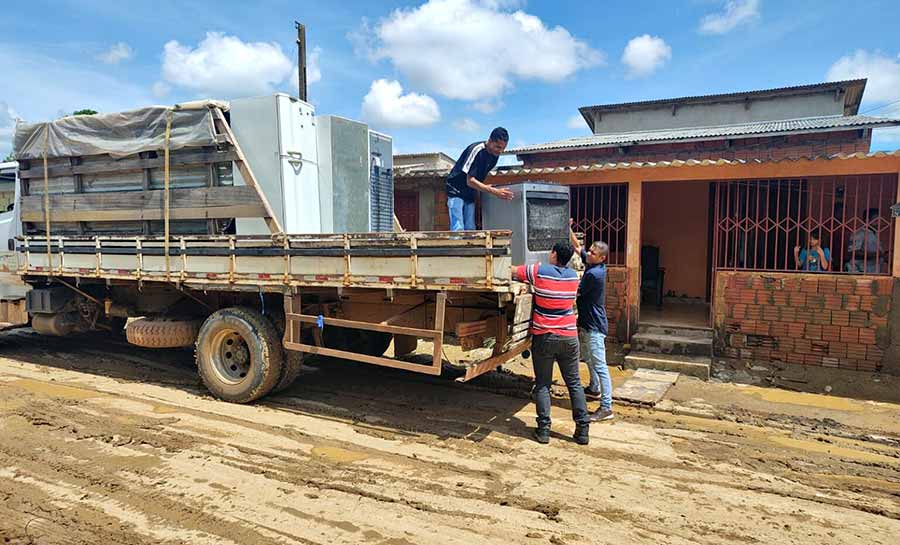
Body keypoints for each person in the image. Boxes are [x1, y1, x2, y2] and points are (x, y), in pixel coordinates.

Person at [512, 242, 590, 445]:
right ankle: (582, 431)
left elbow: (514, 271)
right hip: (569, 337)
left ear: (554, 254)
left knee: (543, 384)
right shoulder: (574, 276)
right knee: (574, 383)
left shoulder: (540, 270)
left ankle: (544, 430)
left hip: (545, 336)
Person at [569, 220, 613, 421]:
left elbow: (575, 292)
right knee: (587, 356)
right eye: (591, 251)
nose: (589, 254)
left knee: (600, 364)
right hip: (588, 323)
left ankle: (606, 407)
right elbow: (578, 248)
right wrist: (567, 227)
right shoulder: (594, 264)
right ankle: (594, 388)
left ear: (601, 257)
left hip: (595, 326)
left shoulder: (594, 275)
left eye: (593, 253)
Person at [445, 127, 514, 231]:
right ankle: (457, 247)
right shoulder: (477, 150)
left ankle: (470, 248)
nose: (500, 151)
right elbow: (470, 181)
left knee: (470, 228)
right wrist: (494, 191)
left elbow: (478, 179)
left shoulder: (494, 156)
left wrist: (484, 189)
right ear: (490, 141)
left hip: (469, 192)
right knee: (458, 227)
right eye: (498, 147)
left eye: (503, 149)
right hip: (456, 190)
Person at [845, 208, 886, 273]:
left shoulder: (875, 234)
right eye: (876, 220)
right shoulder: (860, 233)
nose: (878, 223)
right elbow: (853, 252)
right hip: (859, 271)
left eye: (879, 220)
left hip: (872, 271)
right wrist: (875, 255)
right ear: (867, 220)